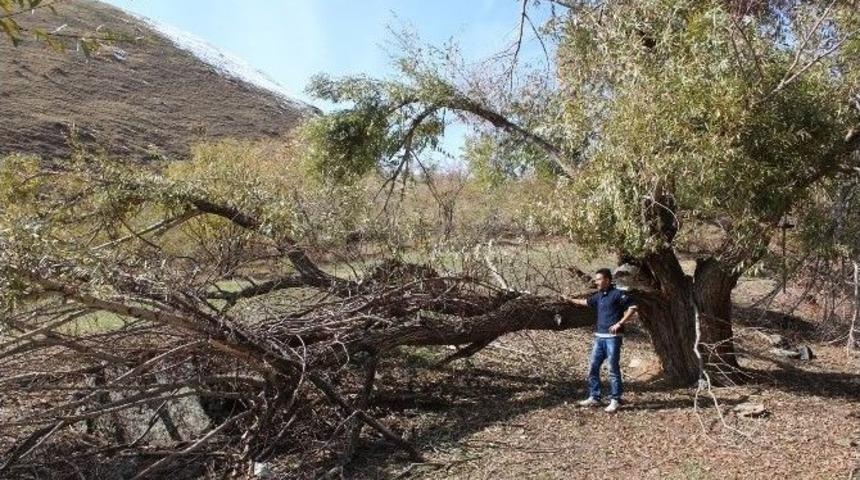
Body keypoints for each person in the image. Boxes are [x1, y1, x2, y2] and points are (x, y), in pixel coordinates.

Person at [571, 268, 638, 413]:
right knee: (593, 366)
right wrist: (569, 300)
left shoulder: (617, 294)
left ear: (607, 280)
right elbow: (585, 302)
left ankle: (616, 399)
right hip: (599, 337)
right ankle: (594, 397)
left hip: (613, 338)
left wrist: (620, 323)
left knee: (613, 368)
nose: (596, 282)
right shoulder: (599, 296)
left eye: (599, 279)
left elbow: (633, 307)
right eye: (596, 279)